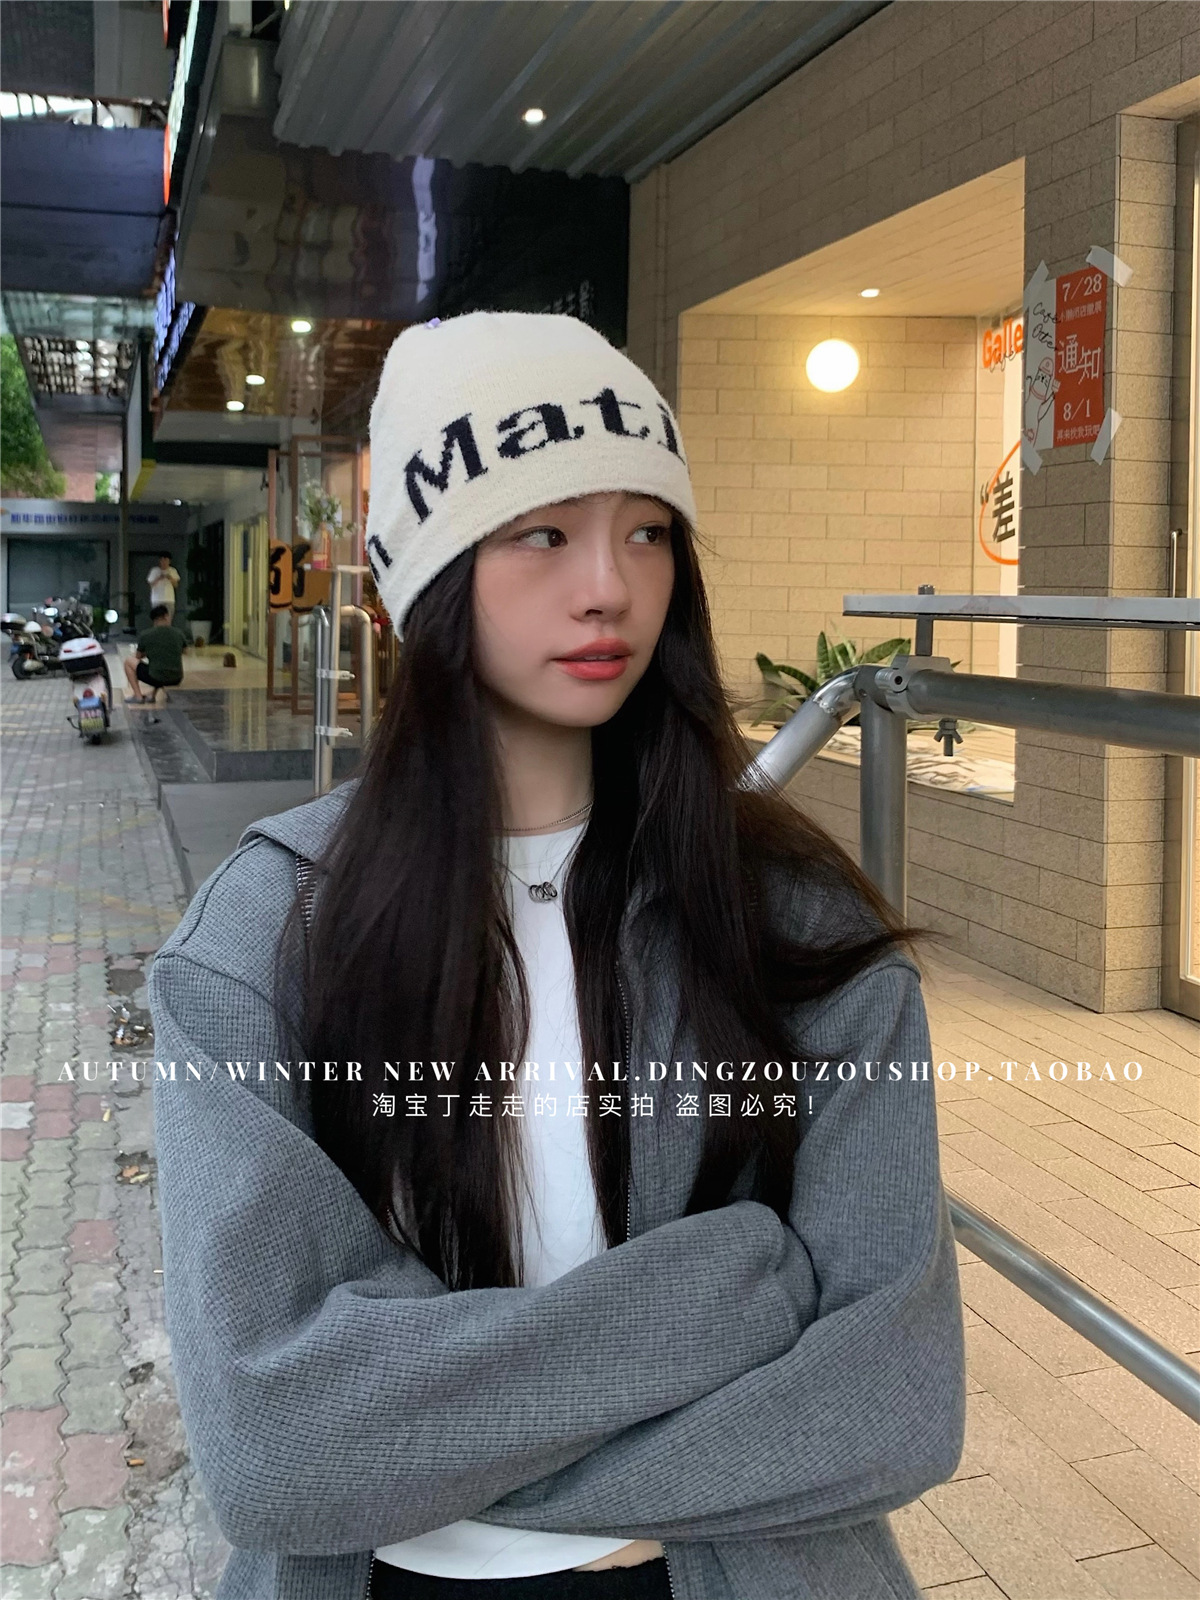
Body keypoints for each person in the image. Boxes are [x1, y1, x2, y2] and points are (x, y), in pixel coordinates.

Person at [147, 312, 965, 1600]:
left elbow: (896, 1399)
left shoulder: (795, 922)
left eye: (647, 530)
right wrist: (726, 1292)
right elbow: (273, 1448)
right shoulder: (257, 941)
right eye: (541, 532)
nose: (609, 586)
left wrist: (411, 1445)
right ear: (419, 580)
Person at [124, 602, 189, 705]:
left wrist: (150, 651)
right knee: (161, 664)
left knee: (128, 662)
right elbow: (185, 651)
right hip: (177, 678)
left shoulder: (146, 635)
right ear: (166, 616)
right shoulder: (178, 633)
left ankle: (138, 696)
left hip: (156, 678)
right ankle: (152, 695)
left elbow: (138, 657)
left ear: (154, 619)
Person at [147, 552, 181, 622]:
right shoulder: (154, 571)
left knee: (168, 619)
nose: (164, 562)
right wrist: (159, 578)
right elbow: (151, 585)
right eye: (162, 560)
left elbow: (176, 585)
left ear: (169, 561)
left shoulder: (172, 570)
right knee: (157, 619)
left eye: (166, 560)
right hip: (157, 600)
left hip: (169, 599)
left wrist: (169, 577)